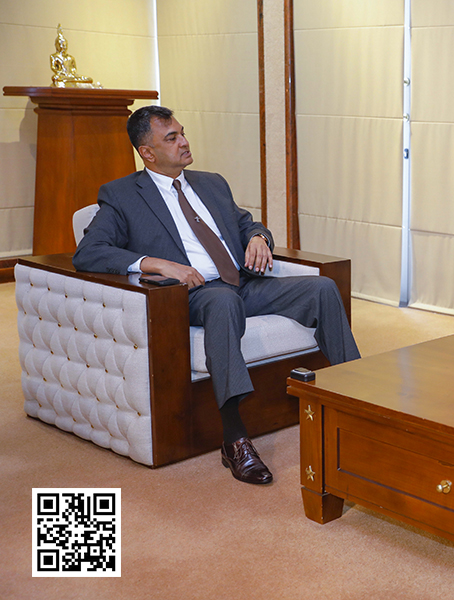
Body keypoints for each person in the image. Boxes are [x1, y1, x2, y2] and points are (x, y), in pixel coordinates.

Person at [73, 105, 361, 484]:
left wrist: (259, 237)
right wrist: (157, 264)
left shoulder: (211, 183)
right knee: (222, 301)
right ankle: (234, 437)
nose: (185, 142)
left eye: (183, 132)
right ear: (147, 152)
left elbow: (246, 223)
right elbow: (89, 252)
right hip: (192, 295)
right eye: (171, 138)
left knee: (322, 288)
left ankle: (358, 401)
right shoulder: (122, 195)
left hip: (244, 283)